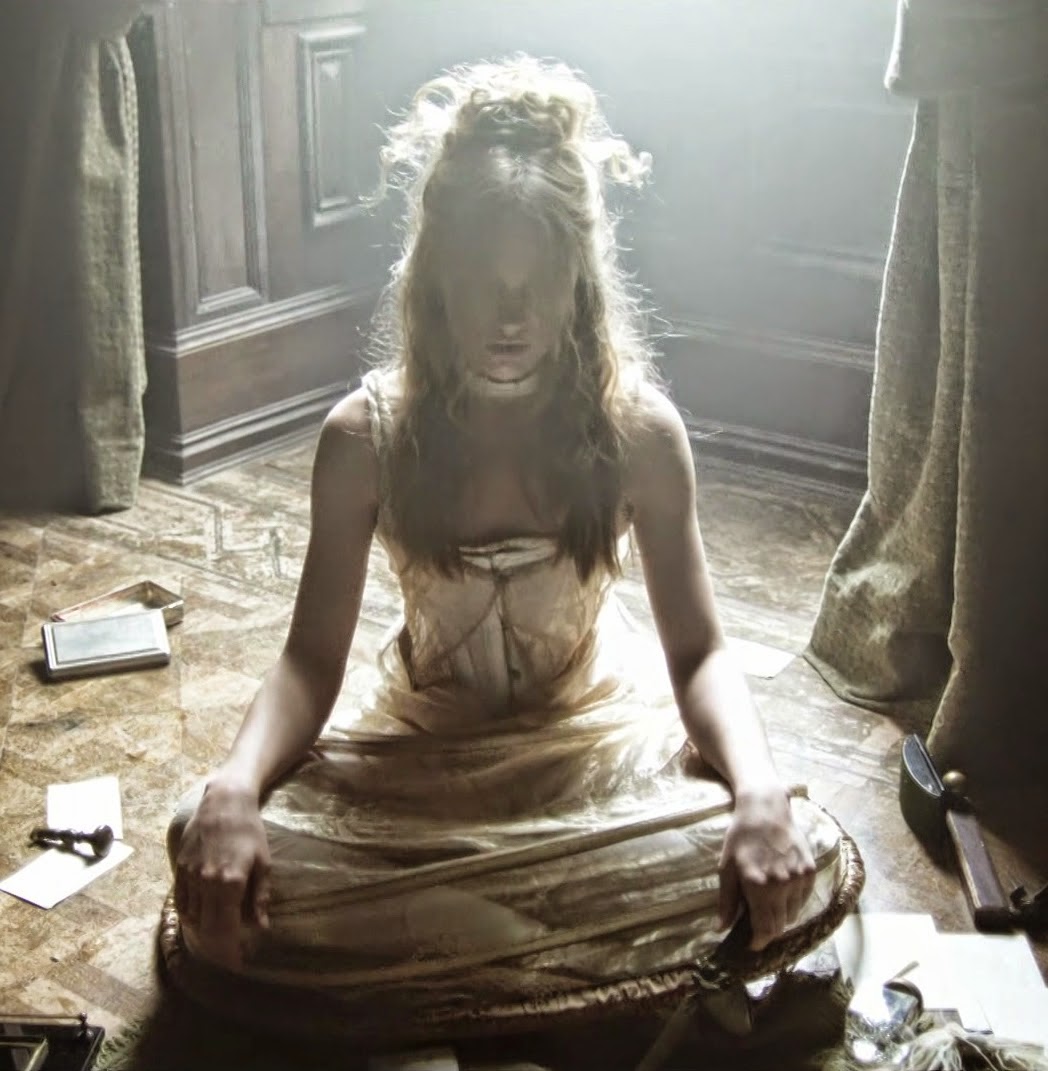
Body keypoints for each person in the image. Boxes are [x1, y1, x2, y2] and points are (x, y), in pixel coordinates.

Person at [166, 55, 850, 1038]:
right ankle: (558, 950)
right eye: (484, 282)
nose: (511, 315)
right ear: (434, 278)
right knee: (207, 841)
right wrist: (235, 789)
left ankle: (465, 950)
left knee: (802, 840)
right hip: (423, 757)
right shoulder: (363, 439)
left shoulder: (640, 434)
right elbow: (309, 661)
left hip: (591, 748)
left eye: (537, 283)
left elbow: (700, 652)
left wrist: (755, 792)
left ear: (581, 280)